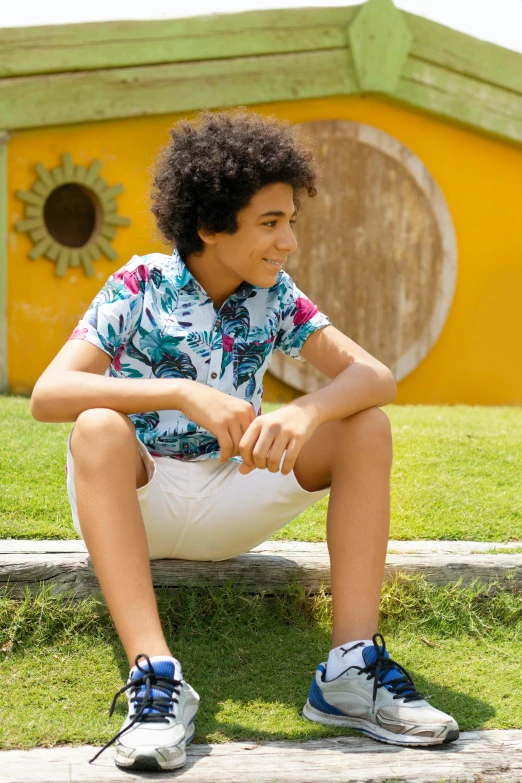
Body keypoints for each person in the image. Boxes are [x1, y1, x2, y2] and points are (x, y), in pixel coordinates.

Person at [31, 108, 458, 772]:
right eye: (270, 223)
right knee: (95, 427)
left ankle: (349, 672)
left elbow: (373, 376)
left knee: (364, 425)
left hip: (229, 497)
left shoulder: (276, 297)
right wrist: (180, 392)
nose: (288, 240)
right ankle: (157, 681)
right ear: (209, 226)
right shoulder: (139, 286)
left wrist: (306, 411)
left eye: (291, 221)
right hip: (136, 500)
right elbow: (48, 395)